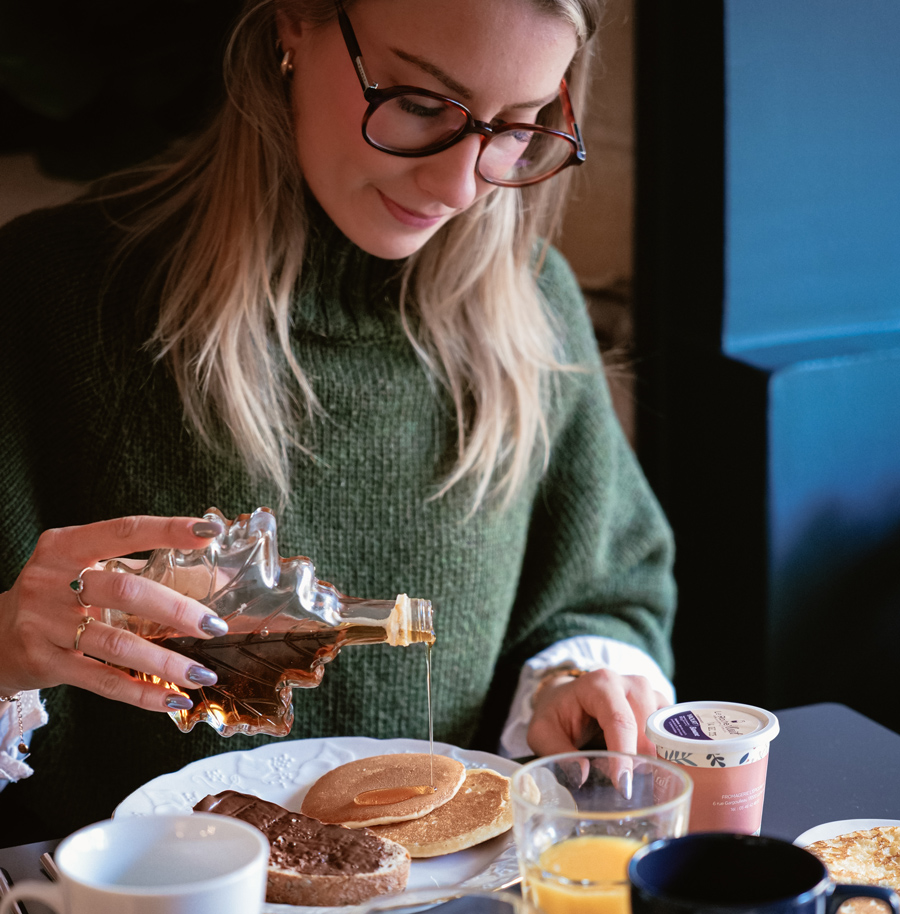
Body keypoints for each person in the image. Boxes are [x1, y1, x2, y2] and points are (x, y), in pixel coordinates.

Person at [0, 0, 675, 839]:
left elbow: (601, 594)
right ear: (294, 23)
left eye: (520, 124)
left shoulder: (534, 310)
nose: (460, 184)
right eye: (423, 105)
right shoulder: (46, 301)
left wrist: (574, 685)